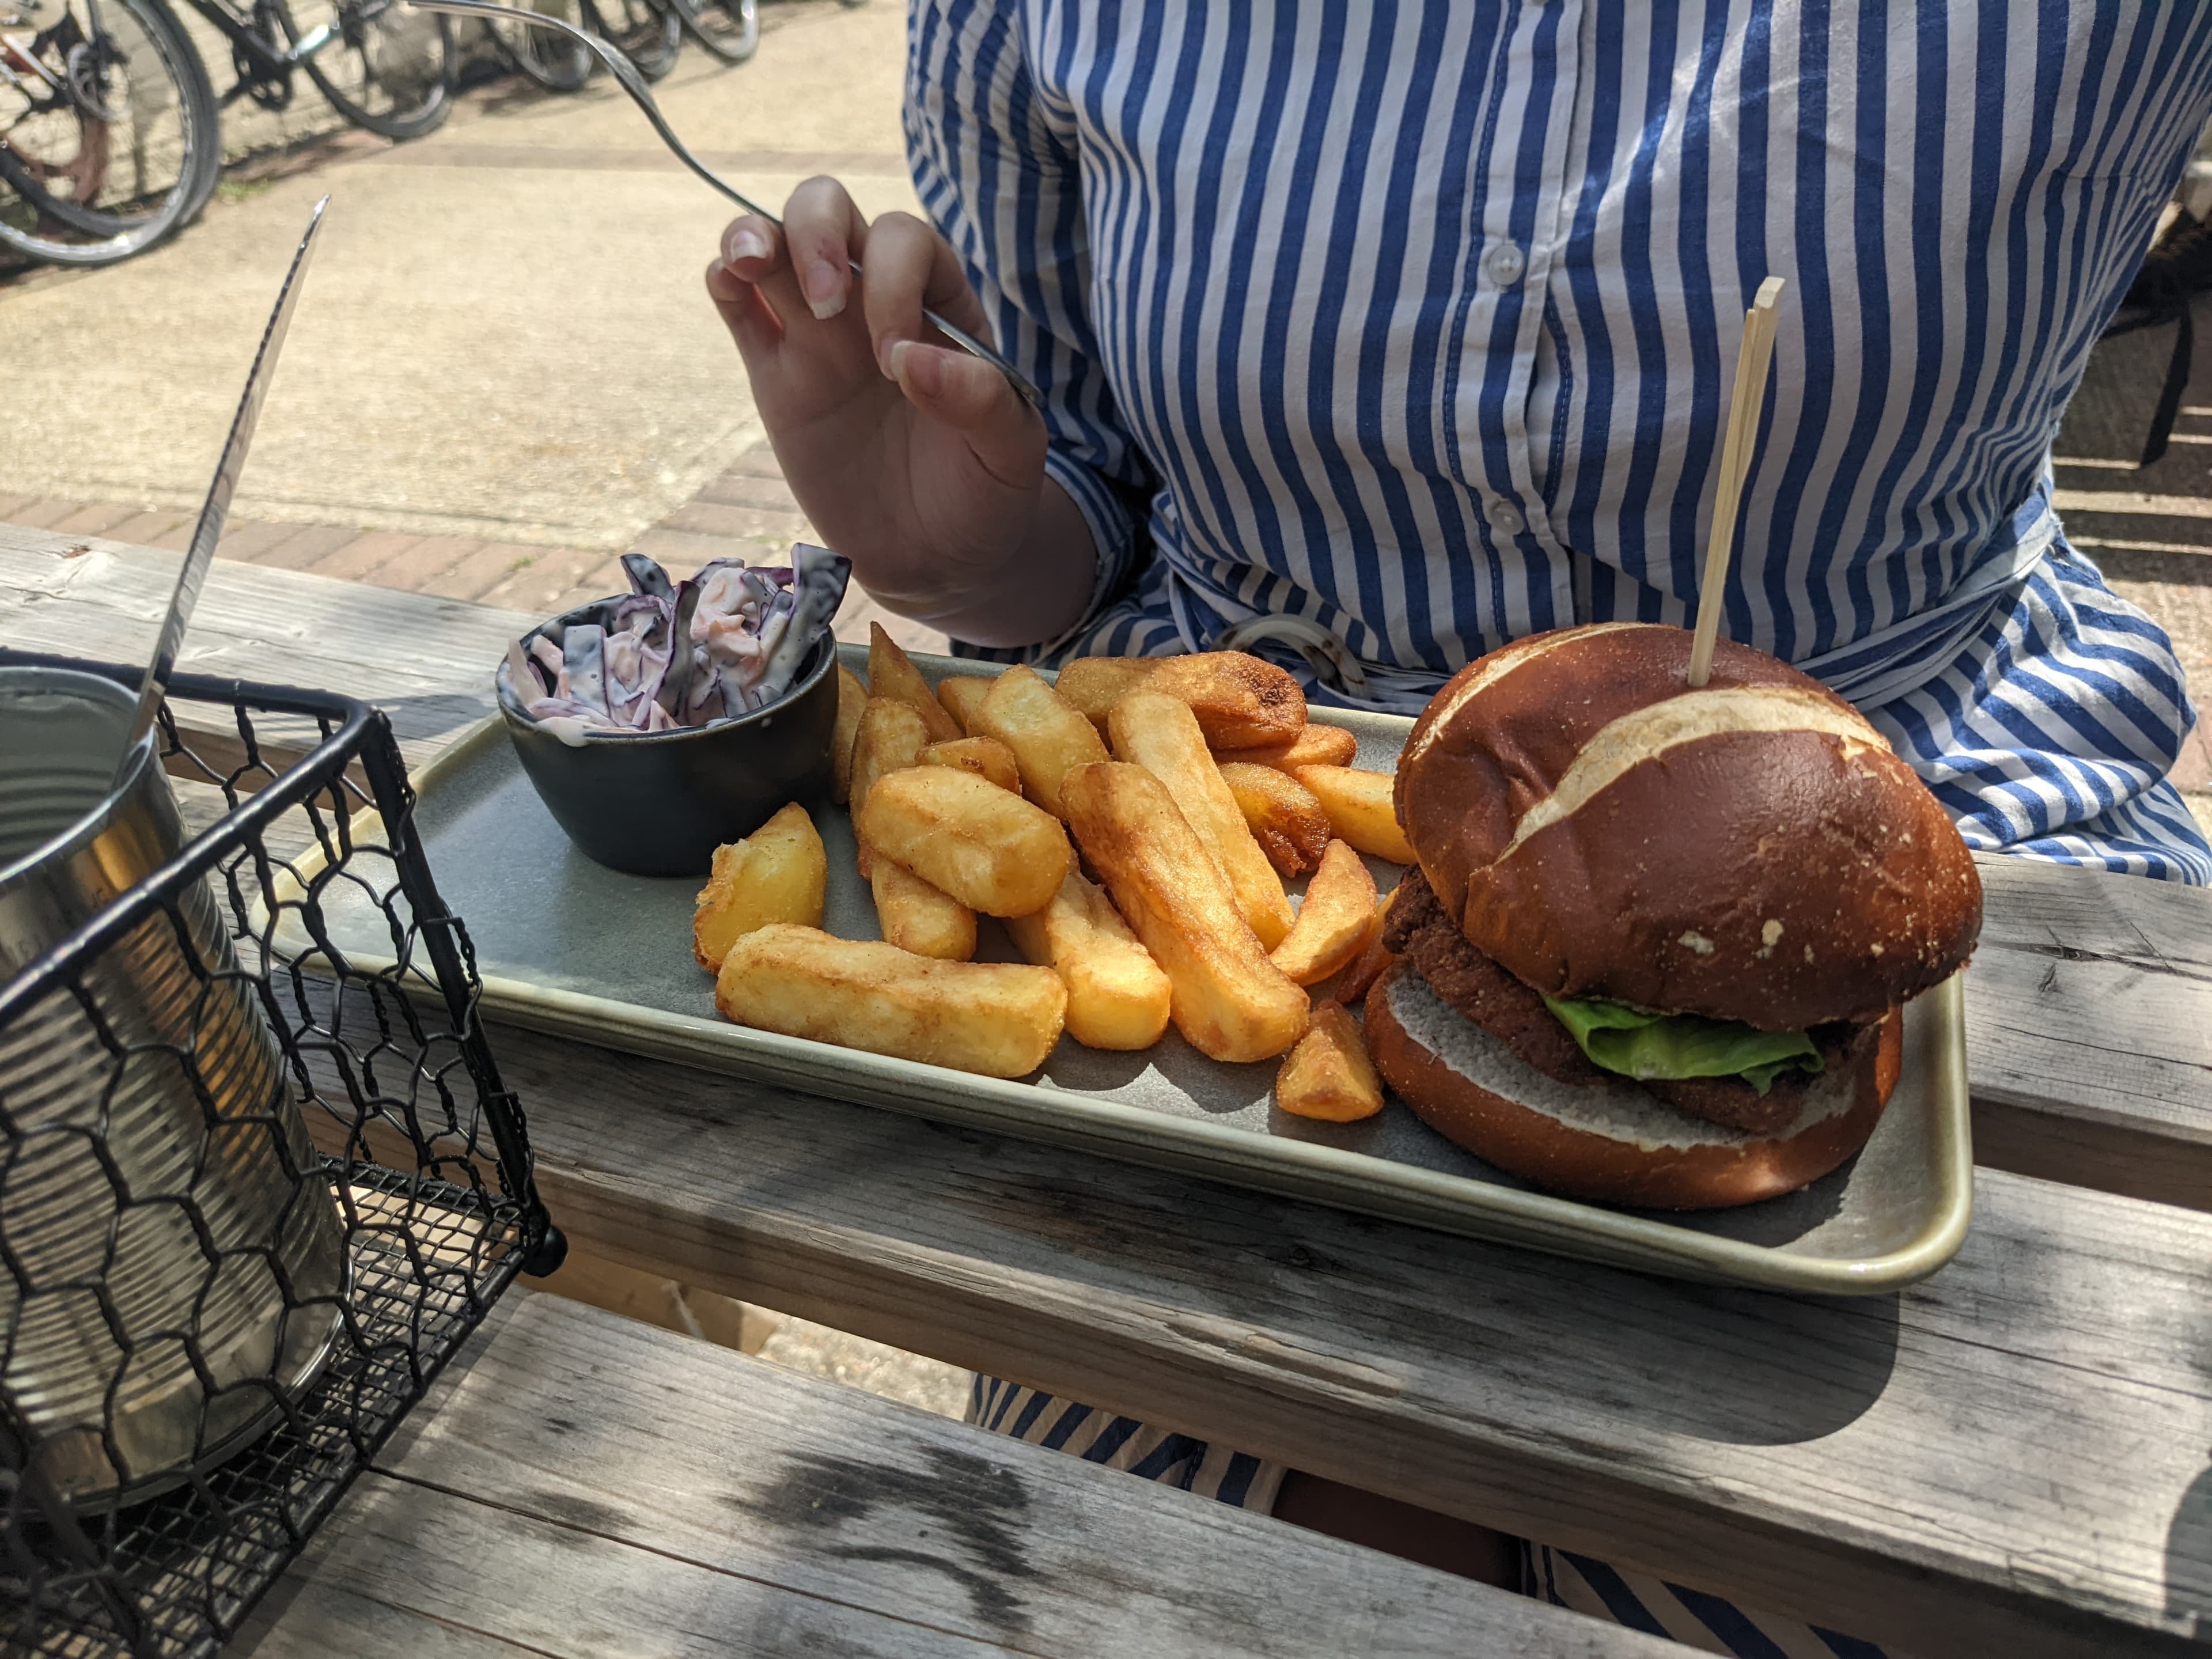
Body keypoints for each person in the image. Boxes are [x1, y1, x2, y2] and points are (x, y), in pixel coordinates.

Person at [707, 2, 2212, 1649]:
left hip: (1944, 835)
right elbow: (1083, 504)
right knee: (1185, 1598)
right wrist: (949, 554)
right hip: (1269, 852)